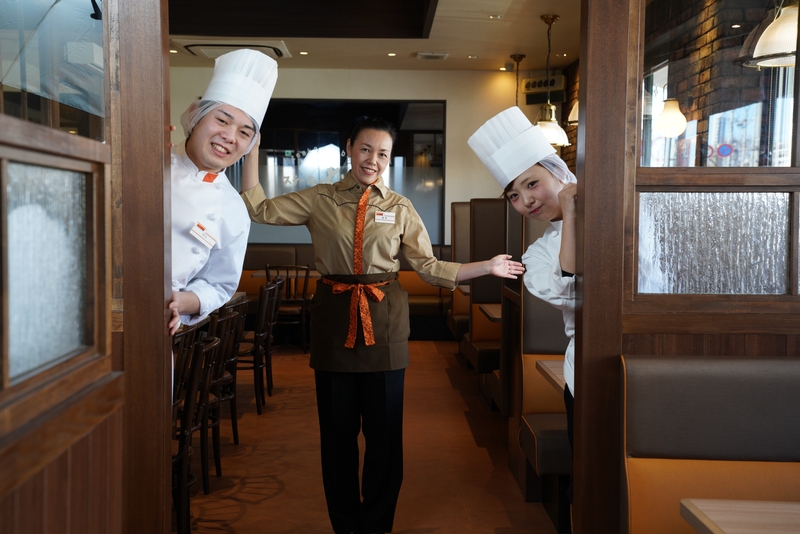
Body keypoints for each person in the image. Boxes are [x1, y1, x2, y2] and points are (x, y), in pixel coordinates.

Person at [239, 117, 525, 534]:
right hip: (334, 322)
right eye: (366, 149)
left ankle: (376, 525)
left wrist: (487, 266)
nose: (373, 159)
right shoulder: (319, 198)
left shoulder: (400, 207)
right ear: (349, 148)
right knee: (337, 436)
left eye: (383, 153)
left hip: (385, 324)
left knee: (385, 436)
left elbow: (428, 267)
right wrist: (251, 150)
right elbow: (259, 209)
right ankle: (345, 525)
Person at [468, 106, 577, 497]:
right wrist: (573, 214)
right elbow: (570, 291)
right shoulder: (537, 254)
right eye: (514, 195)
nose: (526, 201)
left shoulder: (622, 217)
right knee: (588, 482)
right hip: (584, 375)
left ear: (559, 172)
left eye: (532, 184)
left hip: (647, 363)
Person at [168, 49, 278, 335]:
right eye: (222, 120)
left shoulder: (233, 208)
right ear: (195, 116)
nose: (229, 136)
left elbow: (218, 285)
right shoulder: (147, 159)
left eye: (244, 132)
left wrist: (181, 301)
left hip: (158, 323)